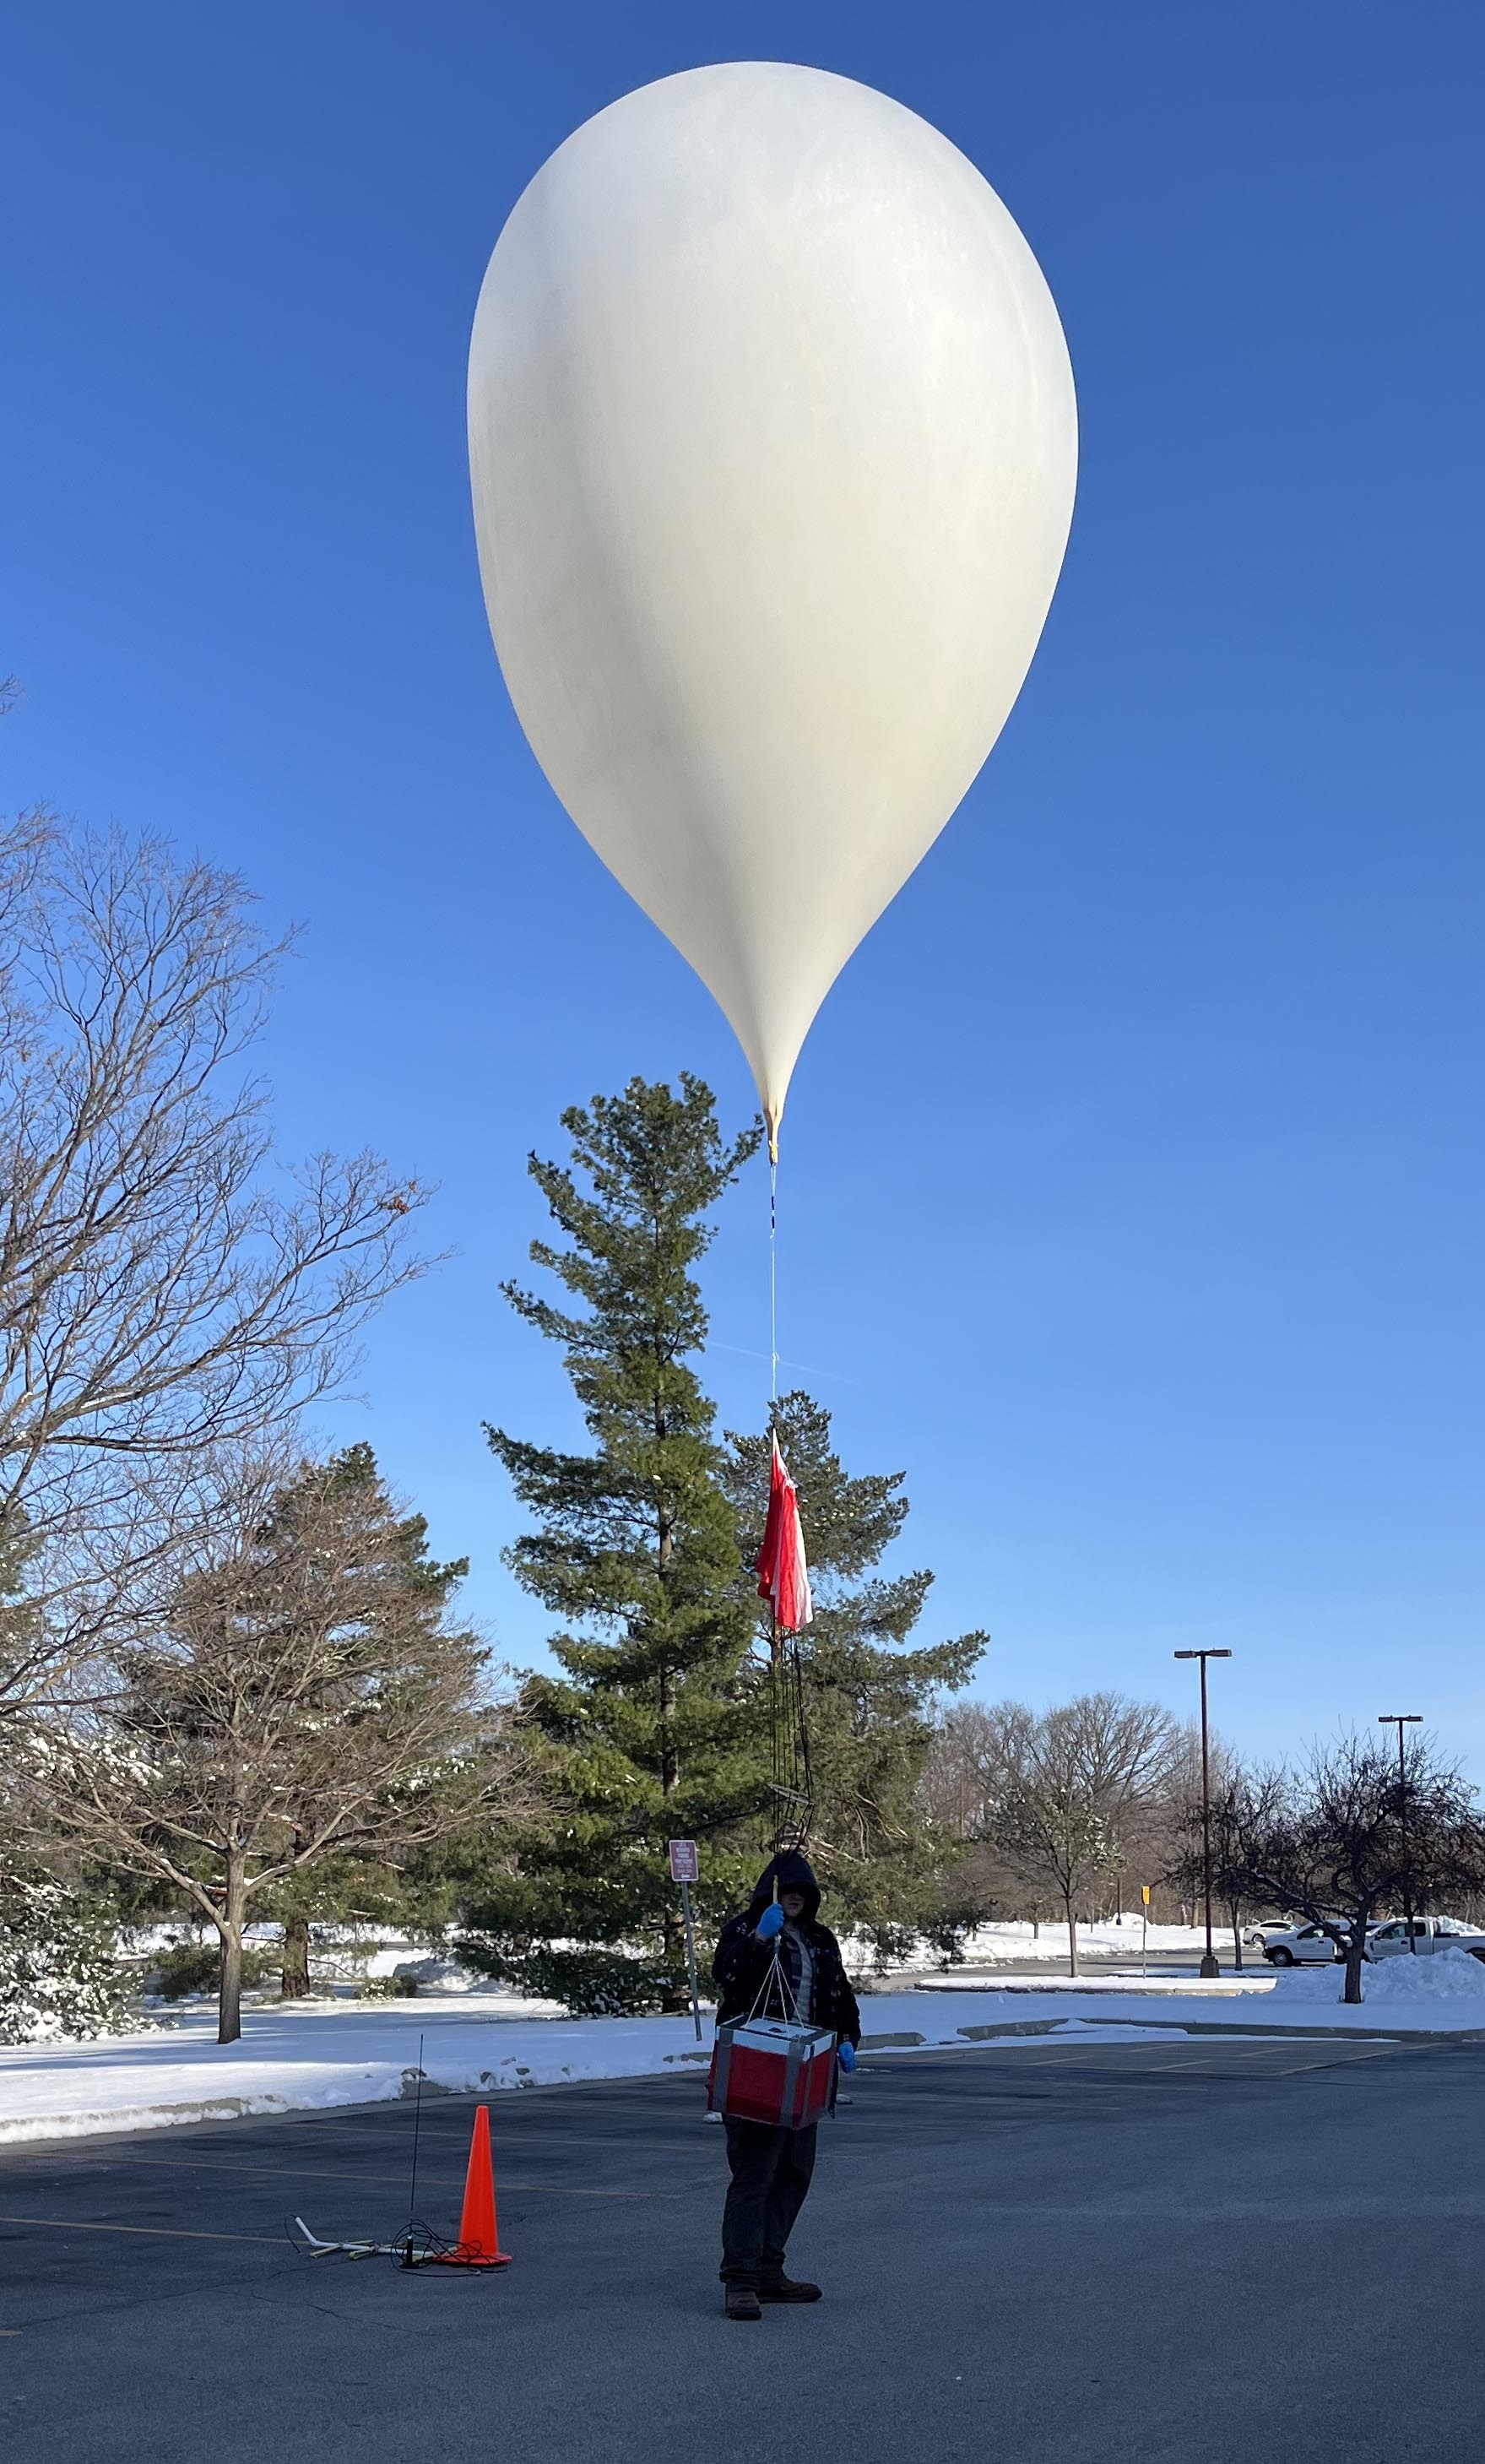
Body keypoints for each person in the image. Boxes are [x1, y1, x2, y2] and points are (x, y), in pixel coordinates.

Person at [711, 1848, 861, 2320]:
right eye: (786, 1890)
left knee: (794, 2174)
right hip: (758, 2069)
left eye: (802, 1891)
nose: (794, 1898)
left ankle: (769, 2271)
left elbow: (838, 1994)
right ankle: (741, 2281)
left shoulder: (820, 1939)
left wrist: (847, 2039)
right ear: (771, 1892)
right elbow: (729, 1980)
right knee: (754, 2176)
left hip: (806, 2073)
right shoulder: (744, 1929)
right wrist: (759, 1938)